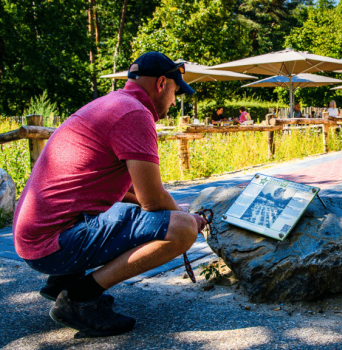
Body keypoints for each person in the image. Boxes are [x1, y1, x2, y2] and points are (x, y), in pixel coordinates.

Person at [12, 51, 207, 338]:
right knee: (181, 230)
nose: (175, 101)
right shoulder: (135, 114)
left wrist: (163, 211)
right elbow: (152, 200)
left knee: (132, 215)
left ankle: (63, 281)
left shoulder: (111, 104)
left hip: (33, 236)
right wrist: (187, 219)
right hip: (51, 244)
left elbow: (130, 193)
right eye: (176, 92)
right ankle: (79, 298)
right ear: (162, 83)